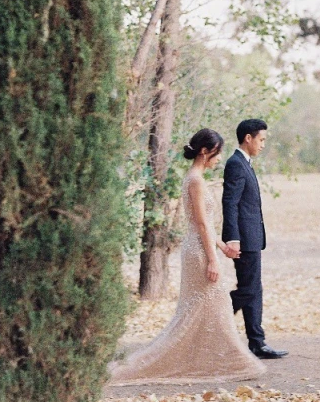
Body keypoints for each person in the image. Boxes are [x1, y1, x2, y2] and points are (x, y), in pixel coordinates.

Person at [109, 128, 266, 385]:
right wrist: (213, 259)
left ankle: (218, 358)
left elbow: (206, 226)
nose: (218, 160)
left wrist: (223, 247)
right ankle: (233, 360)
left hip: (202, 246)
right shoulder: (195, 180)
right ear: (205, 152)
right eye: (216, 154)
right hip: (198, 251)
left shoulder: (196, 178)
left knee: (208, 308)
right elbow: (202, 225)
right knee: (205, 308)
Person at [222, 119, 288, 360]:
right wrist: (233, 238)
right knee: (249, 289)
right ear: (248, 138)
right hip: (243, 239)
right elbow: (230, 203)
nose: (263, 145)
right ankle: (214, 316)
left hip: (252, 237)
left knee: (254, 290)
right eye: (261, 140)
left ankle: (257, 343)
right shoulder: (235, 164)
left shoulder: (245, 163)